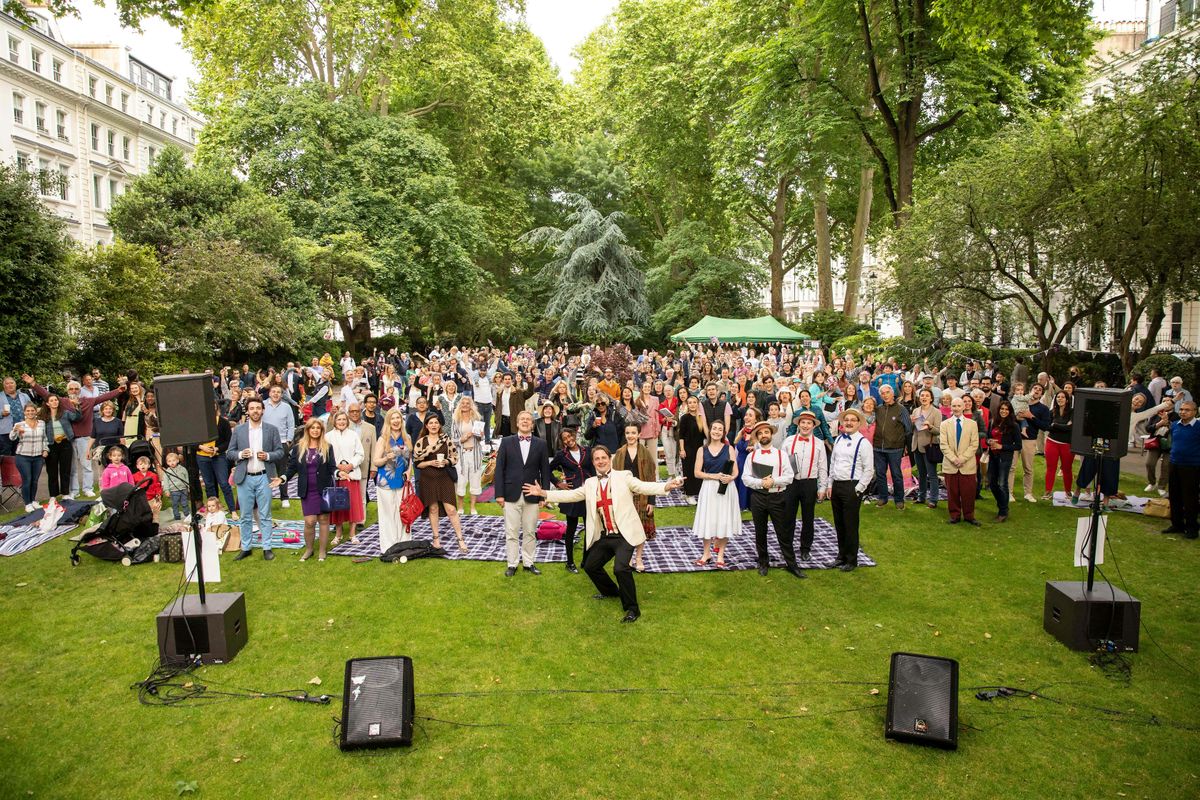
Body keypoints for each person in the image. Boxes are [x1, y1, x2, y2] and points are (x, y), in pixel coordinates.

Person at [529, 447, 683, 623]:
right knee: (590, 565)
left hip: (625, 533)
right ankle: (612, 592)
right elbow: (572, 495)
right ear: (593, 462)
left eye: (603, 458)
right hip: (606, 535)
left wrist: (666, 486)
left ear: (609, 460)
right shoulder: (590, 483)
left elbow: (642, 486)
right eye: (597, 459)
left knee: (620, 568)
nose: (601, 461)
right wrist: (543, 493)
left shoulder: (624, 476)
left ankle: (632, 609)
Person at [23, 374, 123, 498]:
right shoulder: (63, 402)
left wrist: (119, 390)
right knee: (72, 468)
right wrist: (33, 384)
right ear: (67, 391)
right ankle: (74, 490)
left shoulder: (88, 401)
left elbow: (104, 397)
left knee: (86, 465)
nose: (74, 391)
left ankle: (88, 488)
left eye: (76, 388)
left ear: (80, 390)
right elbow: (46, 395)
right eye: (71, 389)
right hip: (70, 439)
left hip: (85, 438)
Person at [226, 396, 285, 561]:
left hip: (264, 477)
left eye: (258, 408)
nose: (255, 411)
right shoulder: (239, 430)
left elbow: (280, 452)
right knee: (245, 515)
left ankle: (267, 547)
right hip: (245, 477)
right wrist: (240, 454)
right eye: (252, 408)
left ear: (263, 410)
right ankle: (246, 547)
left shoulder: (271, 430)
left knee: (265, 514)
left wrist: (267, 455)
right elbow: (229, 452)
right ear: (248, 411)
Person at [742, 420, 802, 578]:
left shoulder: (781, 455)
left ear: (771, 434)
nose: (763, 435)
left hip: (777, 496)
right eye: (760, 433)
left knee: (783, 532)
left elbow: (789, 477)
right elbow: (745, 478)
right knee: (760, 532)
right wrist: (761, 482)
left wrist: (773, 481)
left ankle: (792, 564)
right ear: (757, 437)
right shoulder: (752, 456)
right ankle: (763, 562)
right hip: (759, 497)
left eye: (766, 432)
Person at [494, 410, 551, 574]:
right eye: (522, 419)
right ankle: (512, 564)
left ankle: (528, 562)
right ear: (517, 423)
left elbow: (545, 471)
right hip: (510, 493)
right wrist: (499, 494)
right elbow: (499, 469)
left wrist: (544, 494)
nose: (525, 421)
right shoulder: (506, 441)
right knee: (511, 532)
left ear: (532, 424)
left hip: (533, 494)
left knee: (530, 531)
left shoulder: (541, 444)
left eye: (528, 419)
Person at [822, 407, 874, 571]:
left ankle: (852, 560)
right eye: (847, 420)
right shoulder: (838, 440)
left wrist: (858, 489)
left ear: (859, 423)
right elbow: (833, 463)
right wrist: (830, 484)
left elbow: (869, 469)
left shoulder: (863, 442)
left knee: (850, 524)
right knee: (839, 523)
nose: (849, 423)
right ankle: (841, 556)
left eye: (853, 420)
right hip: (837, 484)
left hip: (852, 485)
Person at [782, 411, 828, 563]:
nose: (806, 425)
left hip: (809, 483)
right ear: (798, 424)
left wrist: (822, 487)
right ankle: (787, 548)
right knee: (788, 517)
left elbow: (823, 467)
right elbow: (782, 464)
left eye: (809, 423)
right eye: (803, 422)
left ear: (814, 426)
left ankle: (805, 549)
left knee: (808, 517)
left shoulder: (819, 443)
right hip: (792, 483)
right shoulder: (788, 441)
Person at [692, 420, 739, 567]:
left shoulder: (729, 448)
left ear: (723, 432)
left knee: (724, 520)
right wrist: (715, 476)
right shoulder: (702, 450)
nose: (717, 432)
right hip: (708, 488)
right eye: (714, 429)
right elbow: (697, 473)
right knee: (708, 520)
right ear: (710, 431)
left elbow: (735, 470)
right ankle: (706, 554)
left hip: (726, 488)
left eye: (720, 429)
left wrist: (731, 478)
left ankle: (720, 555)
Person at [613, 422, 657, 573]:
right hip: (624, 495)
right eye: (628, 433)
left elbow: (652, 477)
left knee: (641, 528)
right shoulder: (619, 453)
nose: (630, 436)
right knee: (625, 527)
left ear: (639, 435)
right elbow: (613, 476)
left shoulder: (645, 453)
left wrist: (652, 501)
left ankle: (638, 557)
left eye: (633, 433)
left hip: (642, 496)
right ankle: (627, 556)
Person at [549, 426, 594, 574]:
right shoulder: (561, 455)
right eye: (565, 439)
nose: (569, 440)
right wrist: (558, 483)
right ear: (563, 442)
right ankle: (570, 562)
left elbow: (593, 470)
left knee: (590, 528)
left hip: (588, 494)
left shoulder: (587, 450)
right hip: (572, 495)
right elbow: (547, 469)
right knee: (571, 528)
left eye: (570, 436)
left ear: (574, 435)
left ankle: (586, 561)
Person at [325, 410, 367, 547]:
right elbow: (325, 454)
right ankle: (338, 534)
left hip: (351, 475)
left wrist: (351, 465)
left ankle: (352, 534)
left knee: (353, 505)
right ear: (334, 422)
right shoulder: (328, 436)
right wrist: (336, 466)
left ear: (347, 421)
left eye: (344, 419)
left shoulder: (353, 435)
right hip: (336, 476)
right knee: (337, 506)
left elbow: (360, 454)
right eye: (339, 420)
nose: (341, 422)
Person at [940, 397, 981, 526]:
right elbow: (943, 444)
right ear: (951, 407)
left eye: (959, 406)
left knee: (968, 492)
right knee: (952, 492)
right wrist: (954, 459)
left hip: (967, 464)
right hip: (950, 464)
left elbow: (974, 444)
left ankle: (969, 516)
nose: (956, 408)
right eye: (954, 406)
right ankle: (955, 515)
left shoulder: (972, 424)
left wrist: (962, 459)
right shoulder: (944, 424)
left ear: (964, 407)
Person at [1162, 401, 1198, 540]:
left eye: (1187, 410)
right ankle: (1177, 525)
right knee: (1175, 496)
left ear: (1195, 411)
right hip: (1174, 464)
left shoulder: (1198, 427)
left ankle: (1192, 527)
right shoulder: (1175, 425)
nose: (1183, 412)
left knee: (1190, 498)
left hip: (1192, 466)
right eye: (1182, 409)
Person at [872, 385, 911, 509]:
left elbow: (908, 429)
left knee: (896, 474)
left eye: (887, 392)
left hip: (895, 448)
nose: (885, 395)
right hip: (878, 447)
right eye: (882, 393)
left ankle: (899, 499)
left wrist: (904, 445)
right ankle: (883, 498)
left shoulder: (901, 409)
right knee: (880, 474)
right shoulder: (878, 409)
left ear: (892, 393)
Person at [1011, 384, 1049, 503]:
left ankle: (1028, 493)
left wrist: (1031, 417)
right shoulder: (1018, 401)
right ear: (1030, 391)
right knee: (1011, 467)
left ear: (1041, 394)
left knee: (1028, 468)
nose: (1037, 390)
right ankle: (1009, 493)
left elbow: (1045, 426)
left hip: (1030, 440)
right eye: (1035, 388)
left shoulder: (1043, 409)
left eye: (1040, 390)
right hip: (1013, 439)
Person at [39, 393, 79, 502]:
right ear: (47, 403)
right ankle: (53, 495)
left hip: (65, 443)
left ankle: (65, 493)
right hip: (51, 445)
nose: (54, 402)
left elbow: (77, 417)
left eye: (56, 400)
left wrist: (75, 406)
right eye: (51, 401)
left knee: (65, 470)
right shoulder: (43, 417)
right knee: (52, 471)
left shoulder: (65, 413)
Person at [987, 400, 1021, 522]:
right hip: (993, 456)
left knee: (1002, 484)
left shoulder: (1014, 426)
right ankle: (1002, 505)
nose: (1004, 411)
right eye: (1002, 409)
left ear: (1010, 411)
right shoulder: (993, 422)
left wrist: (1002, 447)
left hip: (1004, 458)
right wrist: (989, 442)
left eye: (1006, 409)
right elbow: (987, 437)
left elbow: (1018, 445)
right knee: (992, 483)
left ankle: (1003, 511)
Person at [262, 384, 296, 508]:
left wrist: (288, 440)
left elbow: (291, 425)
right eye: (273, 391)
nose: (276, 394)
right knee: (264, 471)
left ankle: (284, 497)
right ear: (269, 393)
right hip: (265, 443)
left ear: (282, 394)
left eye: (278, 392)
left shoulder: (286, 407)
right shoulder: (263, 405)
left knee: (282, 471)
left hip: (281, 442)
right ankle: (266, 496)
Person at [9, 403, 48, 511]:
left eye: (32, 410)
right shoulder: (19, 424)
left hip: (37, 457)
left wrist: (45, 449)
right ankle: (27, 503)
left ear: (36, 412)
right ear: (24, 412)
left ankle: (33, 500)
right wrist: (15, 430)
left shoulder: (41, 423)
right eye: (28, 411)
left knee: (35, 480)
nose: (30, 413)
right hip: (23, 456)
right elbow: (12, 438)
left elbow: (44, 438)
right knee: (27, 480)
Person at [451, 395, 485, 515]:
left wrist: (480, 435)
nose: (465, 405)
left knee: (475, 479)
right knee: (461, 480)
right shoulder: (456, 420)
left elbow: (481, 439)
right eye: (463, 403)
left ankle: (472, 507)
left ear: (471, 405)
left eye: (467, 403)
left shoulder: (476, 419)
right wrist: (462, 439)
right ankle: (460, 507)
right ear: (460, 405)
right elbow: (453, 440)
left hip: (475, 454)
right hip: (461, 455)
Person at [911, 389, 942, 508]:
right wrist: (912, 422)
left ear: (931, 398)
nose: (924, 397)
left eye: (926, 396)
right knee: (921, 474)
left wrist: (929, 426)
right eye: (922, 395)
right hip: (917, 446)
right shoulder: (916, 410)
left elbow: (938, 430)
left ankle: (933, 499)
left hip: (929, 447)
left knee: (932, 474)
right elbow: (914, 429)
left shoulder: (936, 412)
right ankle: (921, 497)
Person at [677, 394, 706, 504]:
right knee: (688, 471)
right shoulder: (685, 417)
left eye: (694, 402)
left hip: (699, 449)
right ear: (687, 405)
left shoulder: (701, 418)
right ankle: (689, 494)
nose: (692, 404)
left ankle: (697, 492)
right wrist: (682, 449)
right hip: (688, 449)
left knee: (698, 470)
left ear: (698, 404)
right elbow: (681, 436)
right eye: (690, 403)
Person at [1143, 407, 1171, 496]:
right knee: (1149, 463)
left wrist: (1168, 422)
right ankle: (1152, 483)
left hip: (1169, 444)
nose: (1166, 405)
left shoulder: (1176, 415)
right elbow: (1148, 429)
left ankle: (1161, 487)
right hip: (1155, 443)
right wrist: (1160, 423)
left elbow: (1176, 429)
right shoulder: (1155, 416)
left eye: (1168, 402)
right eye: (1164, 402)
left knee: (1166, 465)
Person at [162, 451, 191, 521]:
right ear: (167, 463)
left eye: (173, 460)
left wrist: (188, 486)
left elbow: (187, 478)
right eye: (169, 461)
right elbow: (165, 482)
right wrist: (167, 490)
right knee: (175, 504)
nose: (172, 462)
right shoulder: (167, 472)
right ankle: (177, 516)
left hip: (183, 489)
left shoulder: (183, 469)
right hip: (173, 491)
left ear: (177, 460)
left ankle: (187, 515)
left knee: (185, 503)